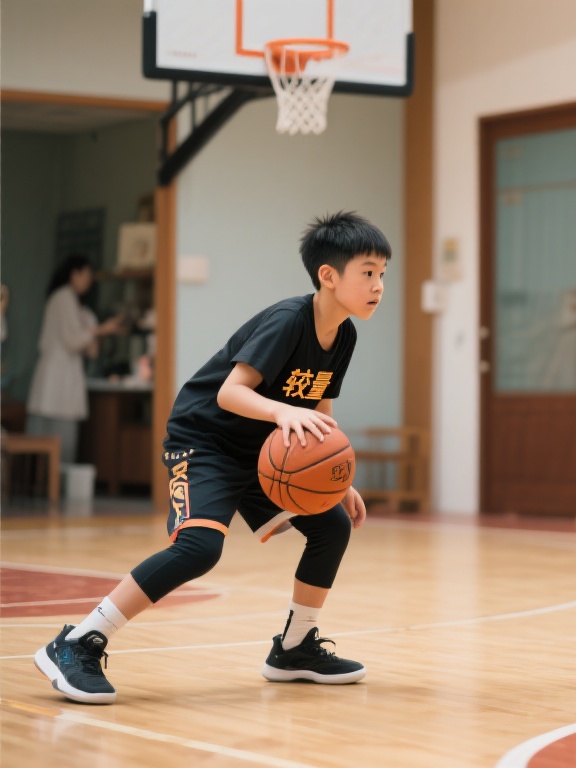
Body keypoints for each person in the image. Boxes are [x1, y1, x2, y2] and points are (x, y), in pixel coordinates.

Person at [34, 211, 389, 704]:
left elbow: (317, 405)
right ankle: (77, 642)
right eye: (368, 272)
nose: (378, 285)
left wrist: (335, 473)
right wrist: (283, 413)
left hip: (265, 452)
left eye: (382, 274)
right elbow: (231, 393)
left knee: (332, 525)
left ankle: (294, 648)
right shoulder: (289, 320)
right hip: (205, 441)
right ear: (328, 276)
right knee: (198, 548)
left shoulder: (344, 334)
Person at [26, 255, 123, 464]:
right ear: (74, 274)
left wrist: (95, 330)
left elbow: (92, 351)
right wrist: (101, 329)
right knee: (48, 443)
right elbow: (72, 340)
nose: (88, 280)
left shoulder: (81, 309)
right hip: (55, 379)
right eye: (86, 275)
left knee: (63, 444)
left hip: (65, 380)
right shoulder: (62, 297)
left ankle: (54, 489)